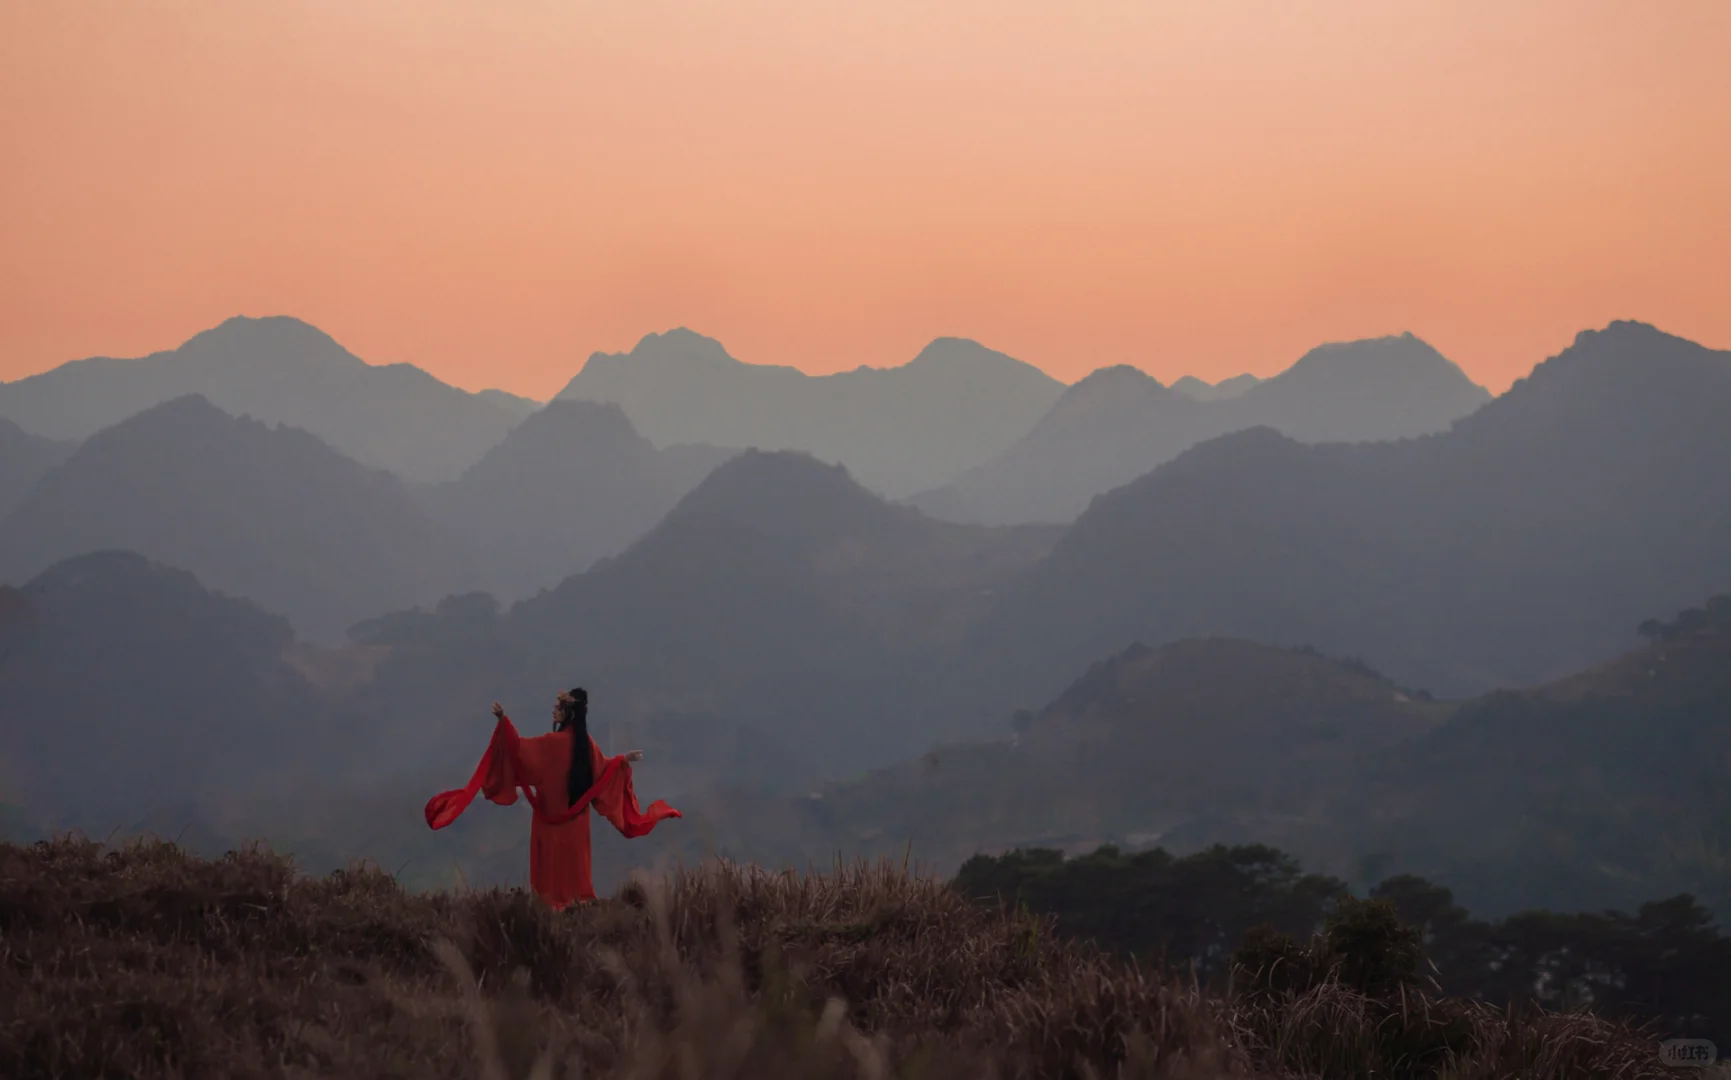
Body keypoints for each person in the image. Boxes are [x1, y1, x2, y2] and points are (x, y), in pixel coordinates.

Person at [424, 687, 681, 909]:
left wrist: (504, 721)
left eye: (558, 707)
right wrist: (623, 761)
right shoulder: (585, 745)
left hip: (547, 821)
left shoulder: (551, 743)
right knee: (575, 868)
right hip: (577, 823)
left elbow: (518, 750)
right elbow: (603, 771)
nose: (553, 711)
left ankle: (548, 904)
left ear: (568, 713)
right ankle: (578, 902)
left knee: (548, 871)